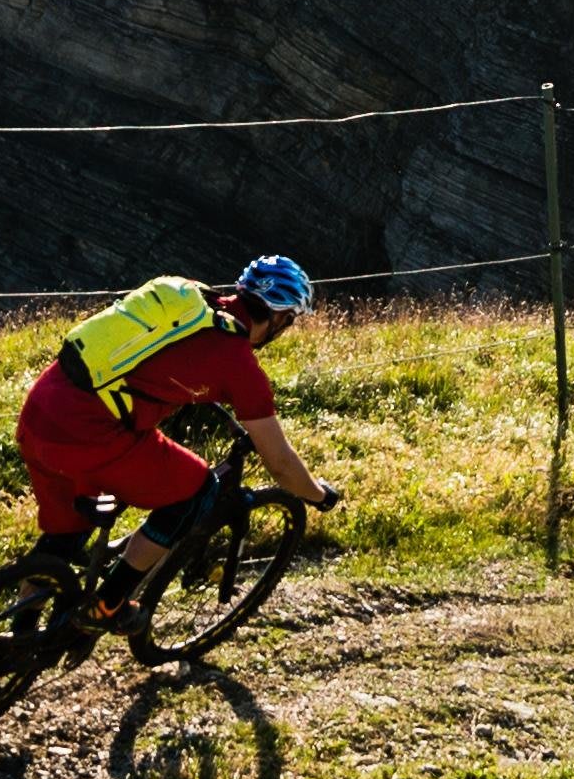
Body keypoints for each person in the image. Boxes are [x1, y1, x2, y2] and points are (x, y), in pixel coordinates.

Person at [17, 254, 343, 624]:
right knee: (198, 490)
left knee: (63, 537)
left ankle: (17, 637)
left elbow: (156, 363)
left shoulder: (188, 299)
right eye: (290, 322)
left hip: (42, 409)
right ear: (282, 317)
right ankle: (109, 604)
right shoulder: (239, 365)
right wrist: (319, 495)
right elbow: (281, 465)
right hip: (90, 434)